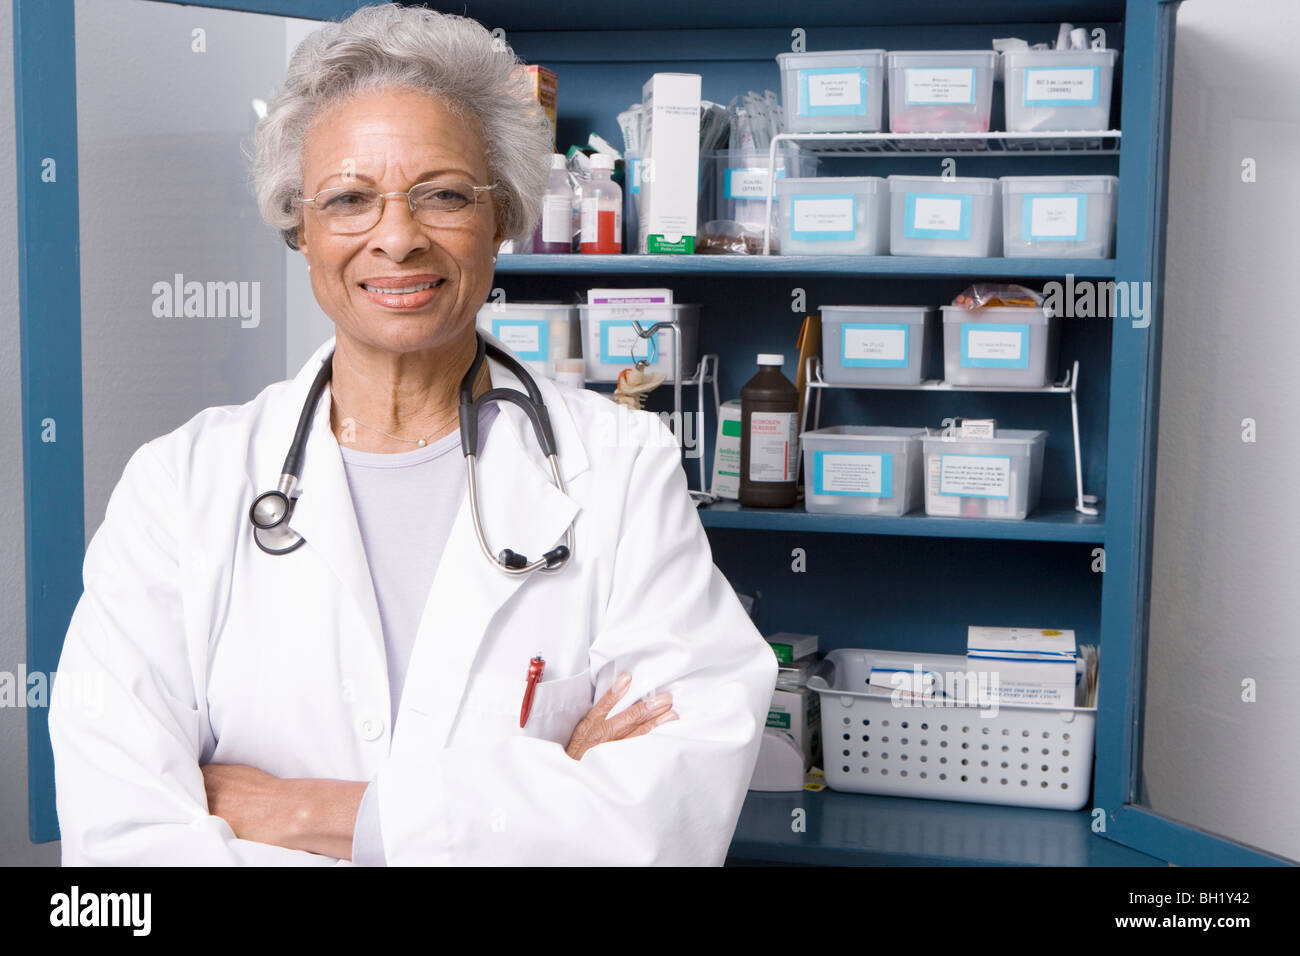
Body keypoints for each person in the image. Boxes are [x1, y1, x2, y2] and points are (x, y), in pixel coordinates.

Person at [48, 2, 776, 865]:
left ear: (503, 216)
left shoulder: (618, 472)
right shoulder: (181, 487)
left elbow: (668, 815)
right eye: (350, 198)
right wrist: (535, 799)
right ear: (300, 226)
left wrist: (314, 815)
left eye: (442, 195)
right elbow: (122, 843)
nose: (397, 238)